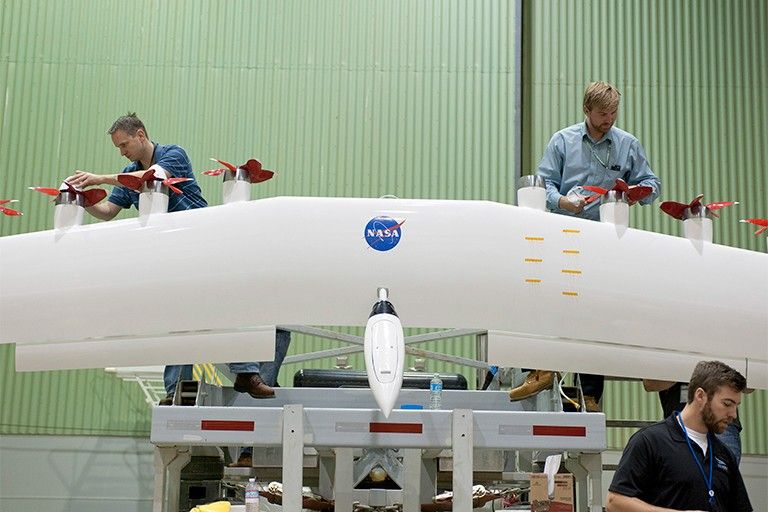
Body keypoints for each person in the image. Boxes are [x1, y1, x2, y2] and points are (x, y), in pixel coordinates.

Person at [66, 112, 288, 402]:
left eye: (124, 144)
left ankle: (246, 371)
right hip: (170, 254)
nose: (122, 151)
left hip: (202, 242)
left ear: (141, 135)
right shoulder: (127, 171)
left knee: (226, 300)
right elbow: (108, 211)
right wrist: (81, 201)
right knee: (180, 316)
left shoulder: (173, 155)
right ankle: (177, 390)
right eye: (119, 147)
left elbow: (152, 178)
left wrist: (102, 177)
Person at [509, 81, 661, 411]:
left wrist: (634, 193)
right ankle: (540, 368)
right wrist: (562, 201)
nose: (609, 119)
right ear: (586, 110)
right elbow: (544, 181)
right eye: (602, 114)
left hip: (606, 242)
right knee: (551, 298)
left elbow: (652, 184)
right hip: (564, 232)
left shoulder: (628, 144)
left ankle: (588, 394)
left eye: (613, 113)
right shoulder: (562, 141)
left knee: (596, 311)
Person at [607, 361, 752, 511]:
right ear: (700, 396)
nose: (733, 414)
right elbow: (615, 503)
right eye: (727, 404)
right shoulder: (650, 441)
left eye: (736, 406)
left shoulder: (724, 454)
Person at [644, 379, 745, 465]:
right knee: (680, 479)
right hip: (681, 426)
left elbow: (748, 384)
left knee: (721, 480)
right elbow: (649, 384)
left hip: (721, 424)